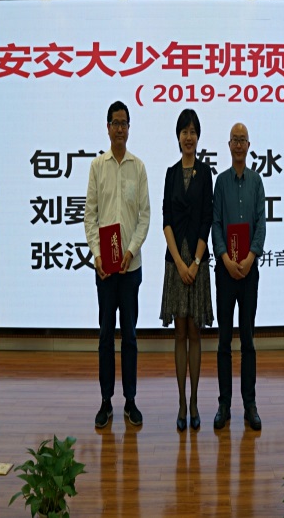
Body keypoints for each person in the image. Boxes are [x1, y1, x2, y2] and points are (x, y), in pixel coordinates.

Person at [84, 100, 151, 429]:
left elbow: (145, 216)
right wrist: (98, 254)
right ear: (107, 127)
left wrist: (131, 250)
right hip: (105, 270)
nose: (120, 128)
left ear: (129, 127)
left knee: (131, 336)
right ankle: (106, 401)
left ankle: (131, 400)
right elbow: (90, 216)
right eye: (115, 123)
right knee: (105, 336)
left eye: (124, 123)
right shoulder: (97, 166)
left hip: (131, 268)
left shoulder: (138, 167)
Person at [159, 109, 215, 432]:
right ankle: (180, 402)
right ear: (178, 136)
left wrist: (194, 262)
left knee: (195, 333)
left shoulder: (206, 173)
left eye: (193, 131)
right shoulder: (170, 173)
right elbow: (166, 220)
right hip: (175, 263)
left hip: (198, 261)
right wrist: (180, 264)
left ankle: (195, 402)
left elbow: (207, 219)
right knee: (179, 334)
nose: (189, 137)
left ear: (198, 136)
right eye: (184, 131)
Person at [211, 123, 266, 431]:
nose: (239, 144)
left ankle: (250, 404)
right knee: (223, 341)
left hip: (249, 271)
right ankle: (224, 404)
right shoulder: (221, 182)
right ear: (228, 144)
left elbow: (261, 224)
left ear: (249, 145)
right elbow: (216, 224)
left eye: (243, 140)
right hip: (225, 272)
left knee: (247, 340)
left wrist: (248, 258)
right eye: (234, 139)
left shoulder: (257, 182)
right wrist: (225, 259)